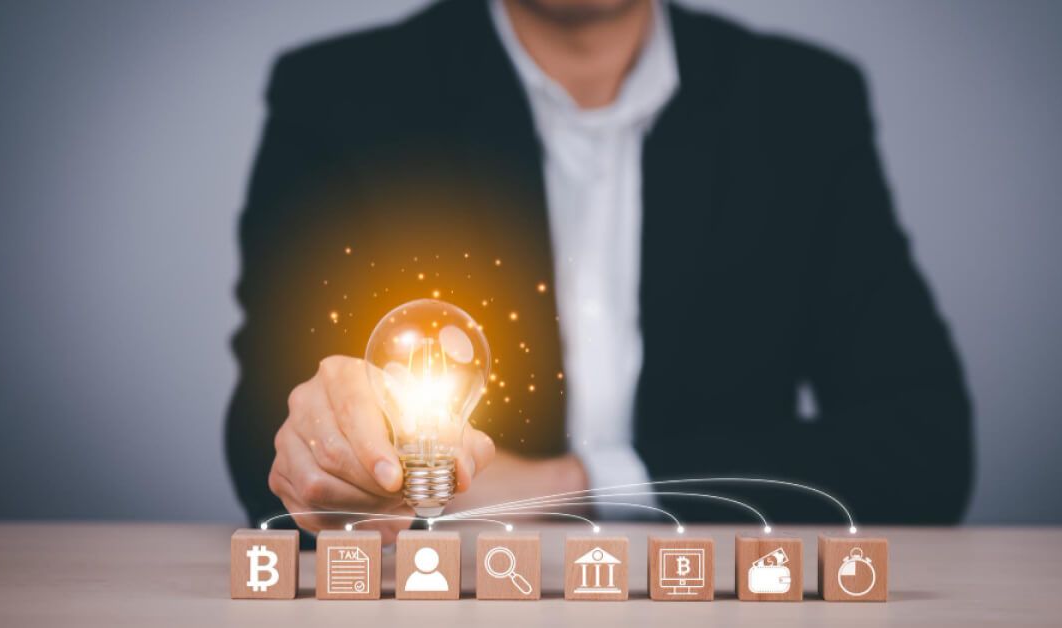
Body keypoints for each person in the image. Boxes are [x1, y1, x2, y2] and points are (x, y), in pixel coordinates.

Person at [227, 0, 973, 544]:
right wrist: (325, 457)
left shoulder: (800, 105)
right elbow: (276, 418)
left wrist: (571, 485)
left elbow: (923, 445)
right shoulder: (340, 97)